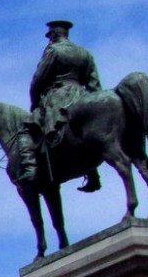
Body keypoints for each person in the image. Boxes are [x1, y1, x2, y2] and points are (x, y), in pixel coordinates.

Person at [29, 19, 103, 191]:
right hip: (82, 95)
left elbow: (38, 79)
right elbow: (94, 85)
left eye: (50, 35)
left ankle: (42, 168)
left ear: (54, 34)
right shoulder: (84, 53)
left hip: (59, 96)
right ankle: (93, 175)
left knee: (36, 130)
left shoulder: (53, 50)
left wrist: (34, 102)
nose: (49, 39)